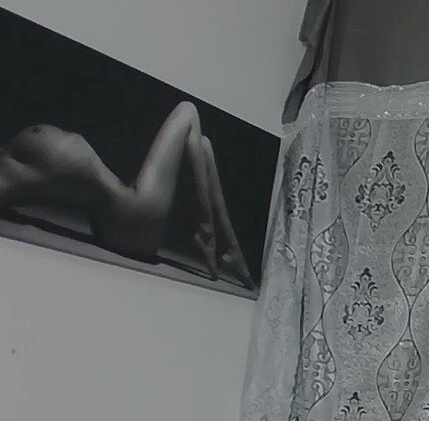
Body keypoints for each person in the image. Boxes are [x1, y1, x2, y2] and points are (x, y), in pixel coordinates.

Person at [0, 99, 252, 288]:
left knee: (201, 144)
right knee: (188, 111)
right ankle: (209, 232)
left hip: (124, 219)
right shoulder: (7, 175)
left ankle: (228, 246)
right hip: (130, 217)